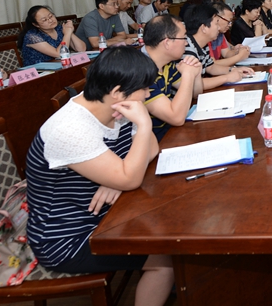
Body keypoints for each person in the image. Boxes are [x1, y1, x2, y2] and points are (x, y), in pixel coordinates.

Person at [25, 47, 174, 306]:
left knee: (171, 223)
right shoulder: (70, 129)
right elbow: (132, 175)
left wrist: (119, 179)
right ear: (117, 91)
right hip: (68, 238)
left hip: (108, 214)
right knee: (166, 259)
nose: (148, 94)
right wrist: (142, 129)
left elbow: (151, 148)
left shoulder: (114, 105)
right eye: (144, 89)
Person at [142, 14, 203, 141]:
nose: (186, 43)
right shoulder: (141, 72)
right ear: (167, 43)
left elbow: (196, 94)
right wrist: (188, 74)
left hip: (169, 133)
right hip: (156, 141)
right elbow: (177, 118)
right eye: (184, 38)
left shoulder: (167, 64)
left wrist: (196, 73)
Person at [183, 4, 254, 90]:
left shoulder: (203, 45)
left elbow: (211, 67)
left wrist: (233, 70)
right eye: (216, 23)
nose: (219, 27)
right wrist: (227, 78)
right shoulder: (187, 48)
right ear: (204, 28)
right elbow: (194, 85)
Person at [17, 5, 86, 65]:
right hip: (39, 72)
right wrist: (67, 34)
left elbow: (81, 49)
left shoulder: (59, 28)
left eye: (51, 16)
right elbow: (59, 54)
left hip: (59, 66)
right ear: (36, 24)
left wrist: (70, 31)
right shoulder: (32, 36)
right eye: (44, 20)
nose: (51, 20)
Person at [208, 1, 251, 68]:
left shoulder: (220, 34)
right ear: (216, 18)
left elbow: (226, 53)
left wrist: (239, 51)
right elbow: (212, 64)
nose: (230, 25)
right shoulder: (207, 36)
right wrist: (239, 56)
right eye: (228, 21)